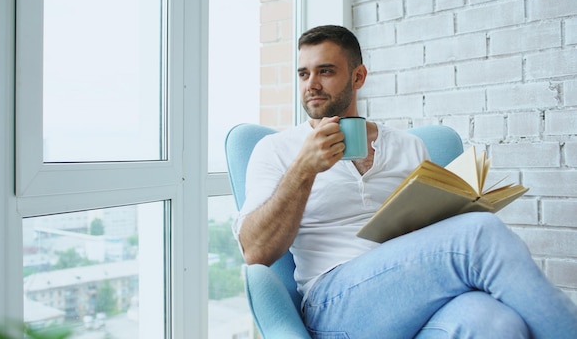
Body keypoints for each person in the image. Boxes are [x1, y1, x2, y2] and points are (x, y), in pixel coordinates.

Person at [232, 25, 577, 338]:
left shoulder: (408, 146)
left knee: (496, 323)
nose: (312, 84)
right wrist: (304, 169)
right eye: (303, 73)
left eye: (325, 71)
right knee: (480, 233)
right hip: (333, 303)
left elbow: (432, 232)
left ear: (358, 76)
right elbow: (255, 251)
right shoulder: (275, 150)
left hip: (413, 294)